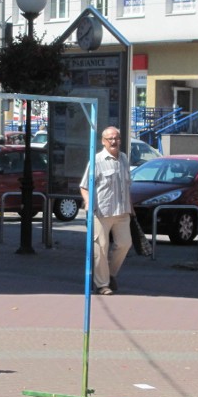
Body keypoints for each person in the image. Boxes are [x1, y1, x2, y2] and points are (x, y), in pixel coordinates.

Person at [79, 126, 133, 295]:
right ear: (103, 141)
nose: (114, 141)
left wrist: (131, 207)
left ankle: (109, 274)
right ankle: (103, 285)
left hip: (122, 211)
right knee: (101, 248)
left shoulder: (124, 158)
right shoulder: (96, 160)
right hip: (101, 211)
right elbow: (84, 186)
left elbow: (127, 185)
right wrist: (88, 202)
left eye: (116, 138)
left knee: (125, 244)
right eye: (110, 139)